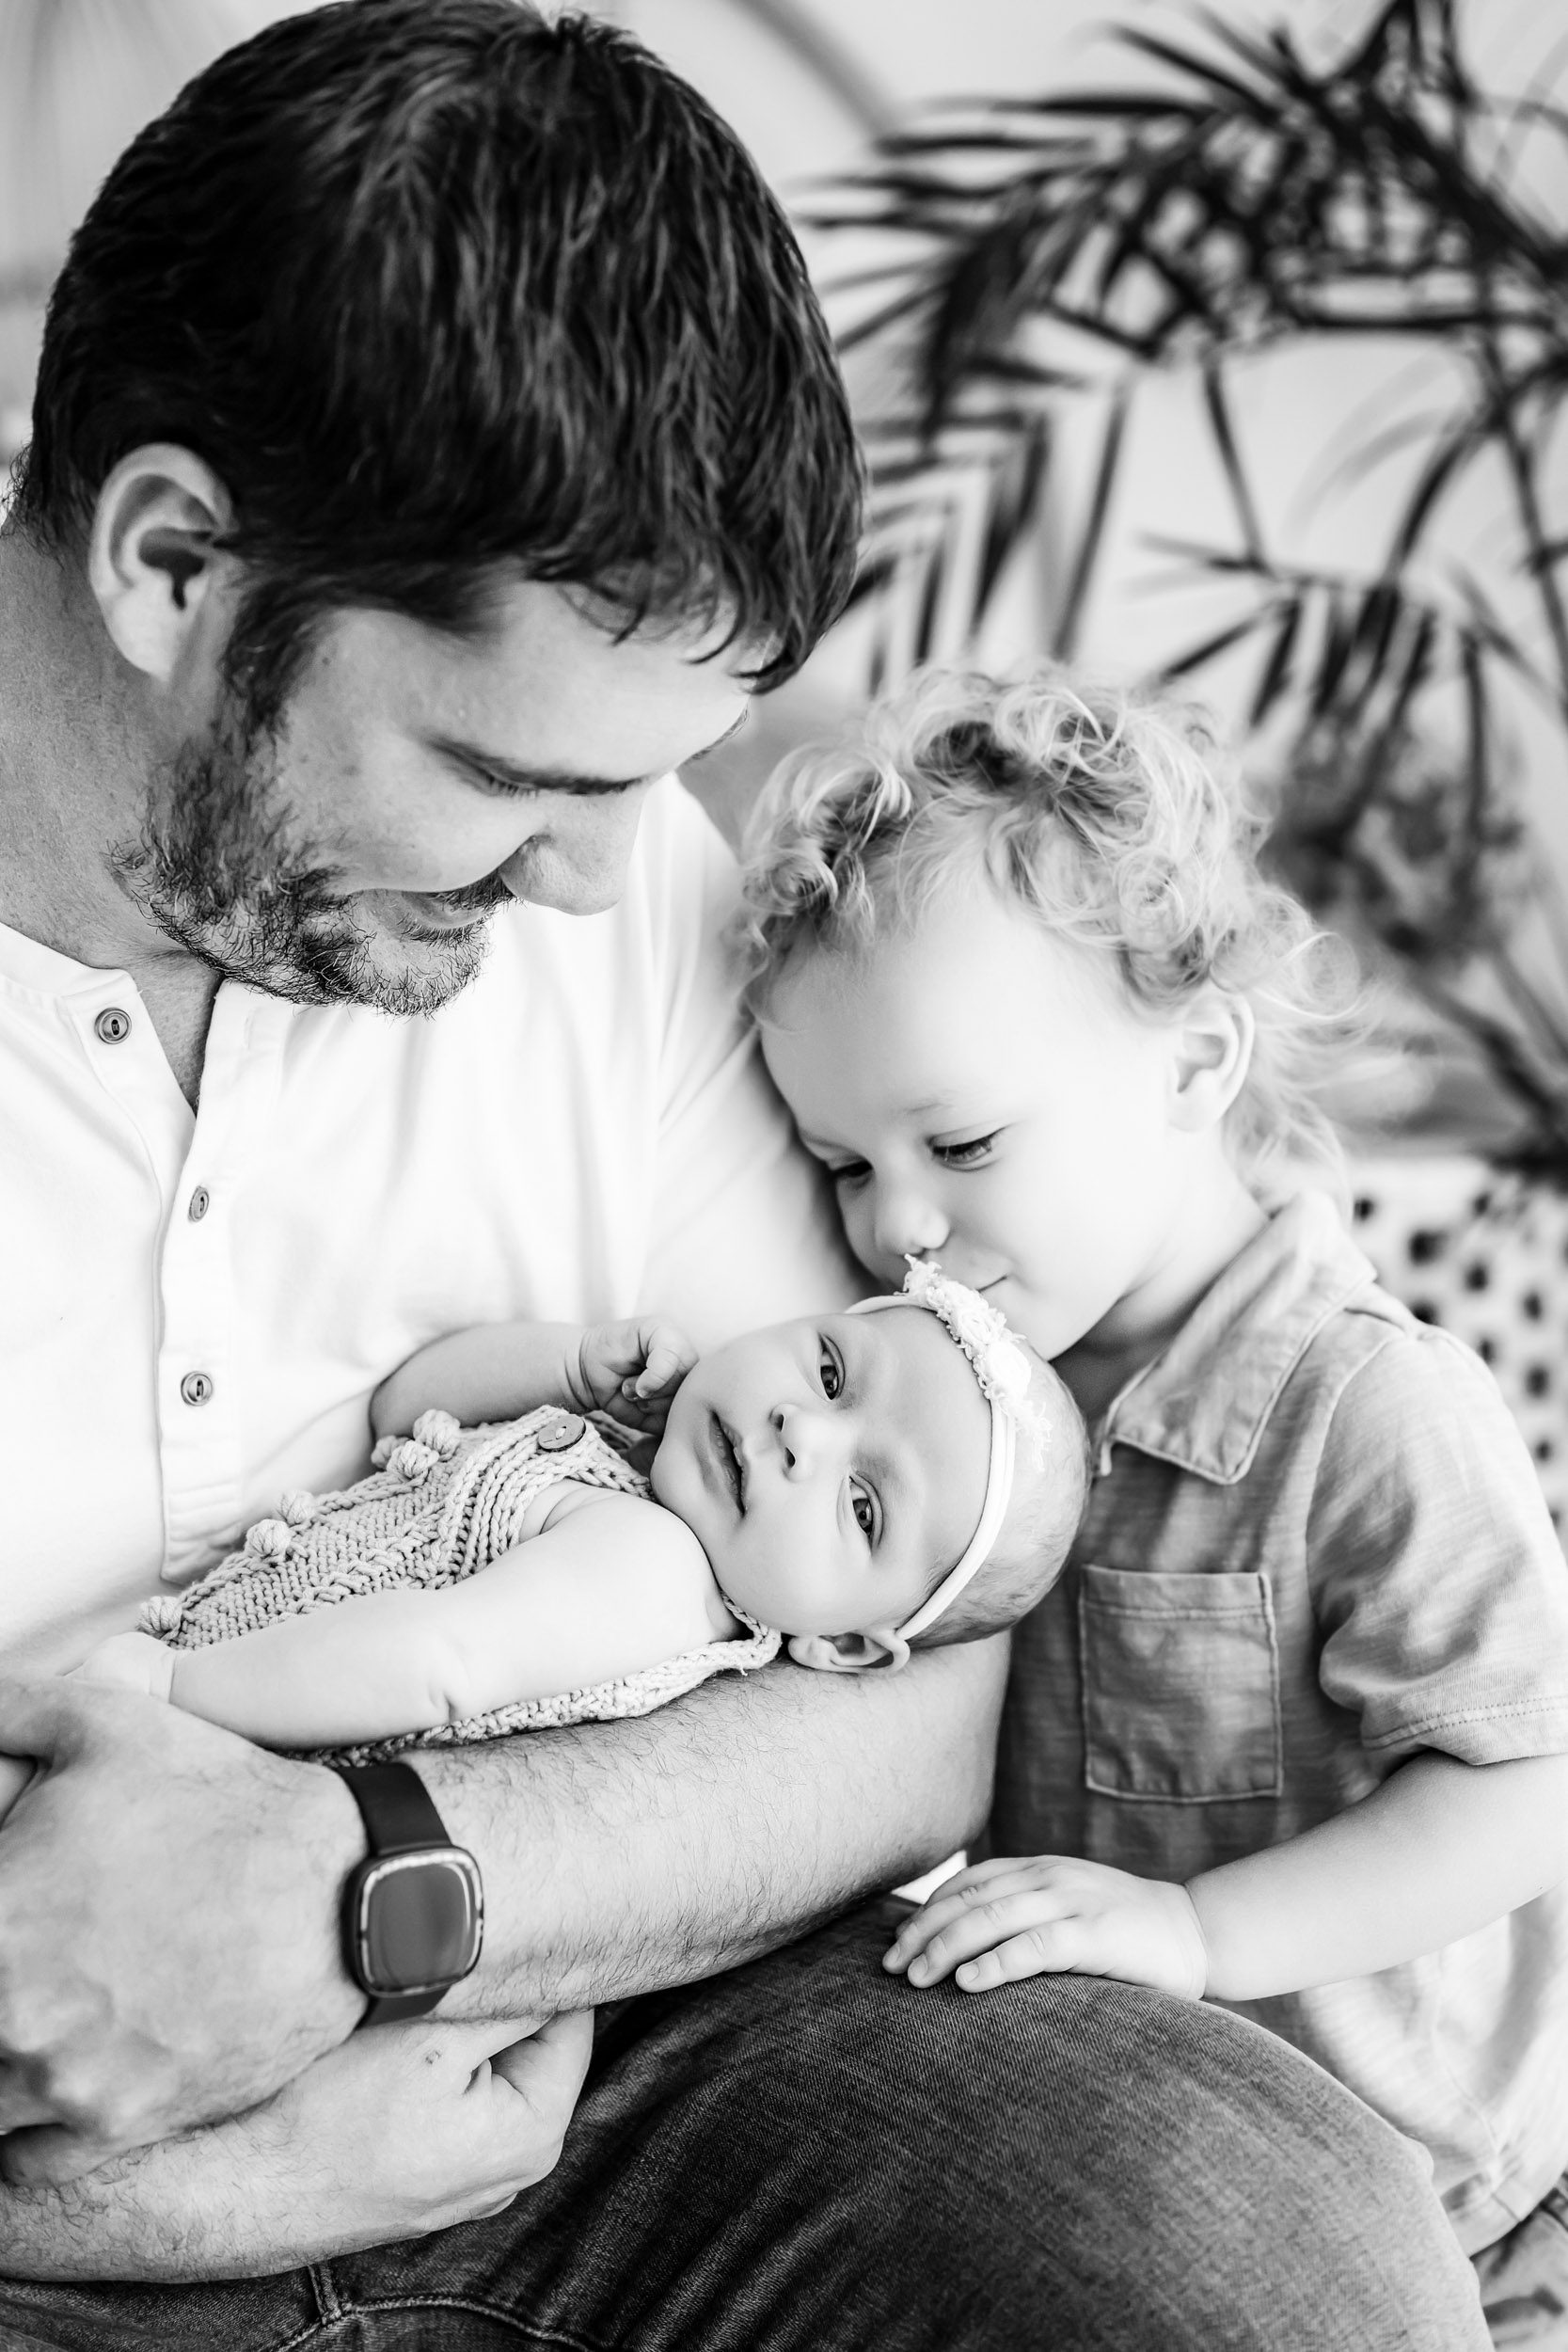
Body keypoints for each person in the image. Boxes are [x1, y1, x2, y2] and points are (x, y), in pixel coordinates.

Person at [0, 2, 1491, 2343]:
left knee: (1257, 2248)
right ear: (175, 564)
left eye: (648, 783)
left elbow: (914, 1686)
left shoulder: (617, 901)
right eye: (515, 778)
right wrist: (86, 2196)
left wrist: (377, 1887)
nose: (609, 895)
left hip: (602, 2050)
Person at [736, 659, 1568, 2285]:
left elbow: (1529, 1791)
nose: (897, 1227)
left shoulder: (1365, 1408)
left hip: (1462, 2211)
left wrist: (1199, 1937)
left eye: (960, 1145)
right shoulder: (964, 1407)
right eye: (845, 1166)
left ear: (1192, 1070)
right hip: (1150, 2198)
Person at [7, 1273, 1084, 1786]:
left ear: (843, 1644)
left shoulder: (654, 1573)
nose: (803, 1432)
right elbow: (404, 1411)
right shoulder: (627, 1474)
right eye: (831, 1371)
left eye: (861, 1506)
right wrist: (566, 1367)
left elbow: (437, 1665)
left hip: (202, 1743)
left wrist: (169, 1693)